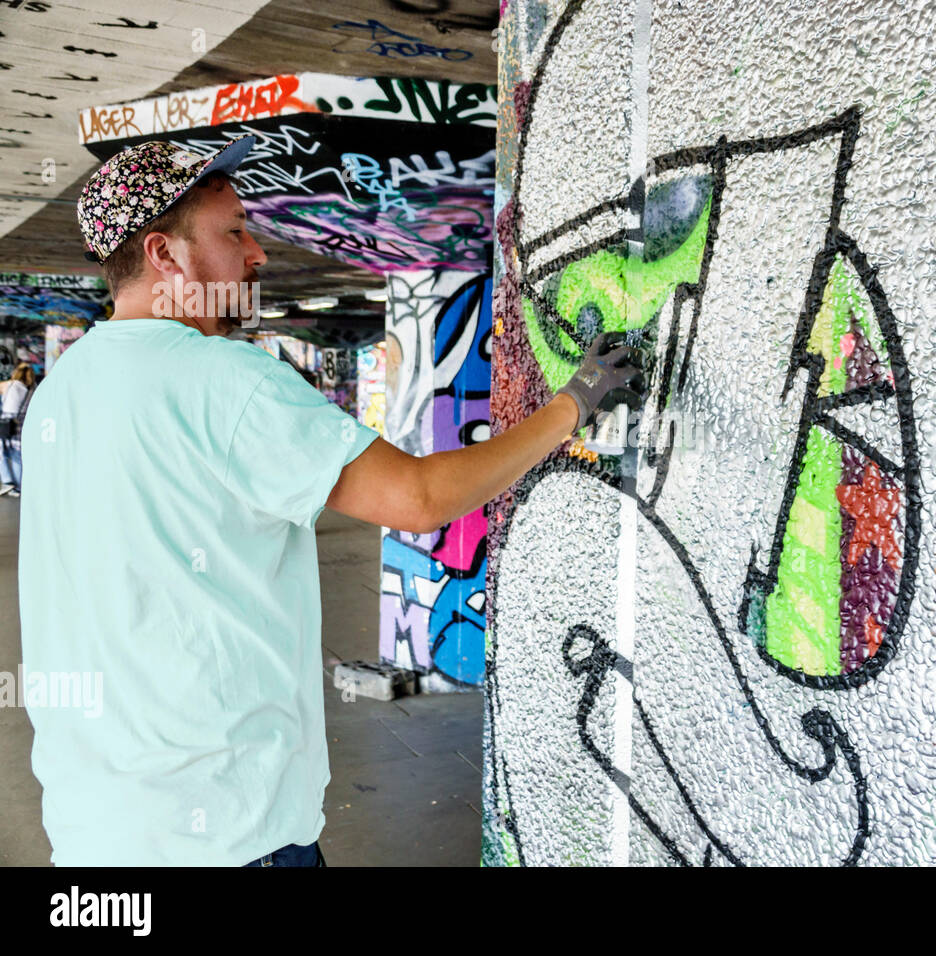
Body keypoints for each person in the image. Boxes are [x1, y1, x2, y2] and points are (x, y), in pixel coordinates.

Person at [18, 136, 645, 867]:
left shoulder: (63, 386)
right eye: (234, 233)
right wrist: (571, 405)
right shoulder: (225, 379)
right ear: (164, 255)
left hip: (96, 829)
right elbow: (419, 498)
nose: (257, 254)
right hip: (225, 830)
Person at [0, 363, 35, 496]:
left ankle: (8, 481)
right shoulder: (32, 389)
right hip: (21, 423)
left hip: (6, 422)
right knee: (17, 455)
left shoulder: (12, 385)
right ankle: (18, 486)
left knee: (2, 452)